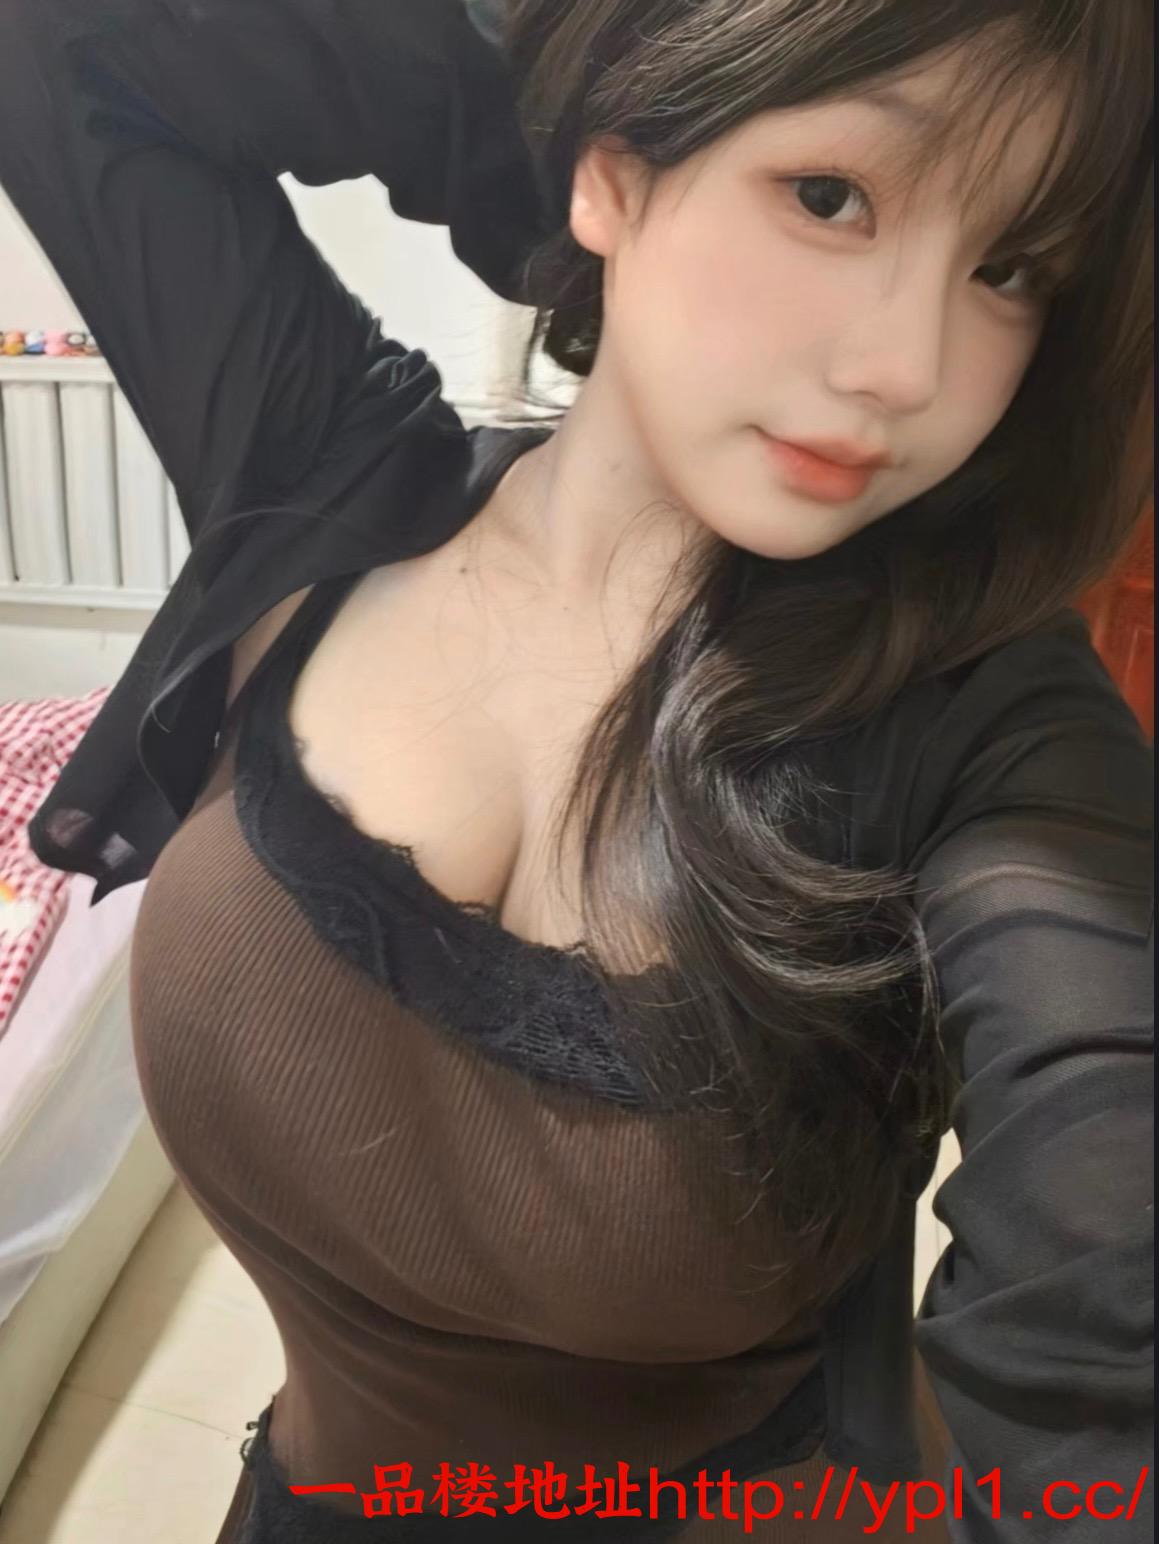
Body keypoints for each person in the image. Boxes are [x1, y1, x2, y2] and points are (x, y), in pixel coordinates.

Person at [0, 1, 1152, 1540]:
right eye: (829, 195)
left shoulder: (986, 726)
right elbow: (64, 43)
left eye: (1011, 269)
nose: (907, 367)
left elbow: (1108, 1289)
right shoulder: (327, 474)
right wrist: (582, 144)